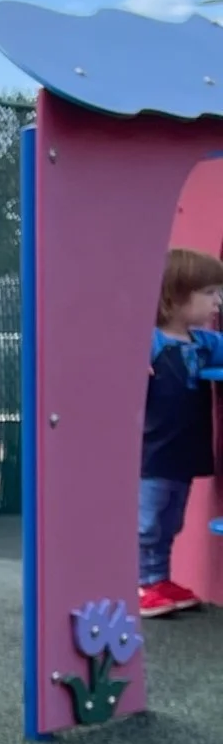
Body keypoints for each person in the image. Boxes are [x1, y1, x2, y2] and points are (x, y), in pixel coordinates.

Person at [138, 246, 223, 618]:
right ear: (174, 297)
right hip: (152, 453)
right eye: (209, 293)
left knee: (172, 521)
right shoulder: (150, 342)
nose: (218, 302)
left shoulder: (204, 344)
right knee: (147, 522)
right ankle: (139, 583)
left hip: (183, 452)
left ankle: (159, 579)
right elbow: (111, 355)